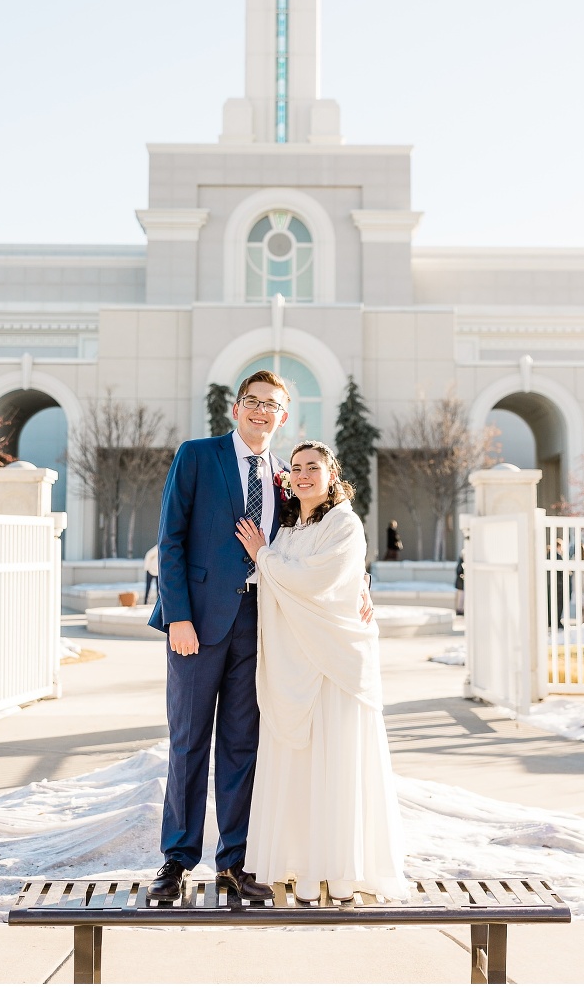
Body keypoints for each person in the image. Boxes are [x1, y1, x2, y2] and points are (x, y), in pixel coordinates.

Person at [146, 373, 373, 903]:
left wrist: (361, 582)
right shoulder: (198, 456)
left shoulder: (285, 477)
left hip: (264, 626)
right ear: (236, 408)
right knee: (188, 742)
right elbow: (171, 538)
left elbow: (319, 542)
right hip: (198, 625)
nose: (261, 412)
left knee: (244, 745)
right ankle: (176, 862)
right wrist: (178, 616)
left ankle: (235, 861)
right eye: (253, 402)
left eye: (272, 405)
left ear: (283, 416)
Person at [236, 441, 409, 903]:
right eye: (295, 468)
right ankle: (302, 865)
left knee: (336, 764)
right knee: (304, 766)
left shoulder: (344, 523)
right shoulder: (290, 527)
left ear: (333, 474)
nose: (303, 475)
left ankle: (338, 871)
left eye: (313, 467)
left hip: (333, 664)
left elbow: (319, 580)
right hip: (296, 661)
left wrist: (262, 556)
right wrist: (271, 557)